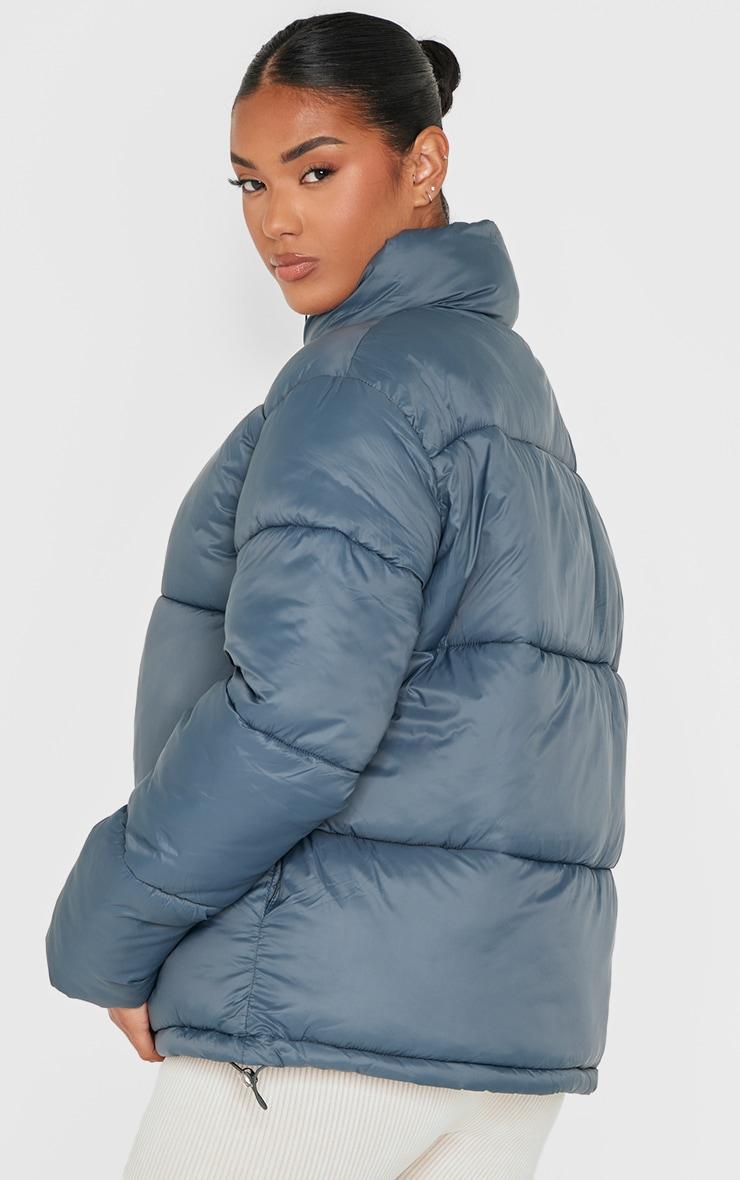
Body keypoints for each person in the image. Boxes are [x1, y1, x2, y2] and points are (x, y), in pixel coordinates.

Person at [45, 12, 627, 1179]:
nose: (276, 219)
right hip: (504, 1033)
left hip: (316, 1025)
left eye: (315, 171)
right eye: (250, 183)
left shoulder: (356, 386)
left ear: (422, 162)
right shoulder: (500, 384)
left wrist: (109, 926)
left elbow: (295, 716)